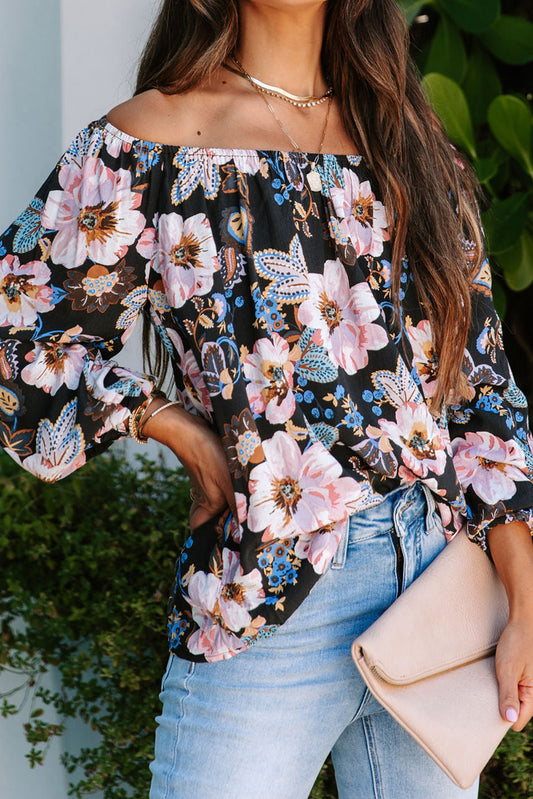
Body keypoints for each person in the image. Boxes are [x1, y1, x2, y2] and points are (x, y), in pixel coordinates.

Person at [2, 0, 533, 796]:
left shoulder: (415, 145)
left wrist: (524, 598)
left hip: (434, 584)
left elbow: (478, 386)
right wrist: (162, 420)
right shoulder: (147, 141)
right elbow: (21, 335)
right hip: (265, 584)